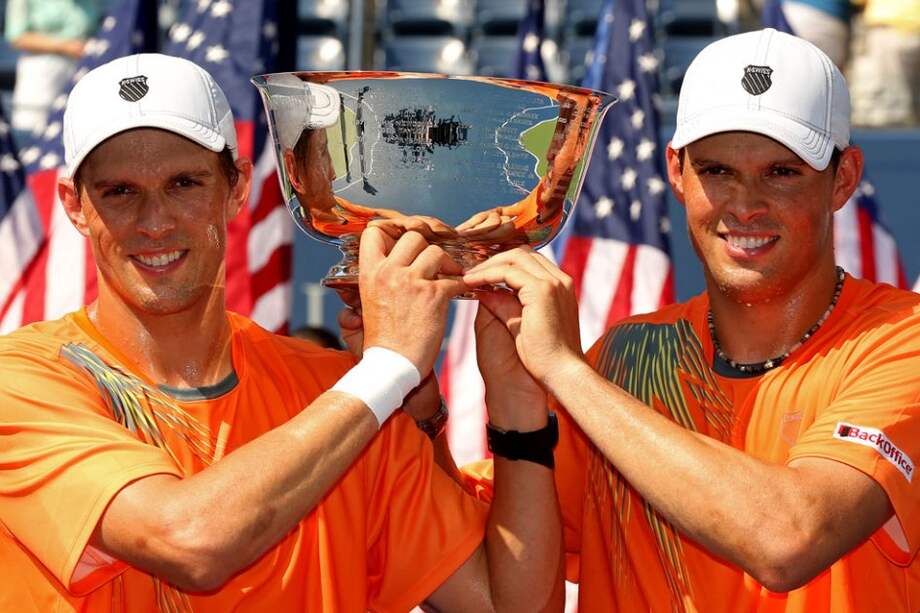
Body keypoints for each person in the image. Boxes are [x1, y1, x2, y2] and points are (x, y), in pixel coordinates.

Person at [0, 53, 565, 612]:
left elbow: (508, 607)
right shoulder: (20, 381)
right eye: (119, 191)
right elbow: (188, 542)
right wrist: (389, 366)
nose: (155, 222)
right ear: (75, 205)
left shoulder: (344, 395)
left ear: (238, 187)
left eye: (184, 183)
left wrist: (516, 398)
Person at [463, 28, 920, 611]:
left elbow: (789, 540)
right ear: (676, 172)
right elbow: (502, 594)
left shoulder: (902, 340)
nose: (746, 203)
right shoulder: (627, 355)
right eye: (717, 171)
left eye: (782, 172)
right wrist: (415, 393)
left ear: (845, 178)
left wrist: (565, 371)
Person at [4, 0, 105, 145]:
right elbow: (16, 37)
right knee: (30, 128)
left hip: (83, 67)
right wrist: (64, 46)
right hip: (41, 71)